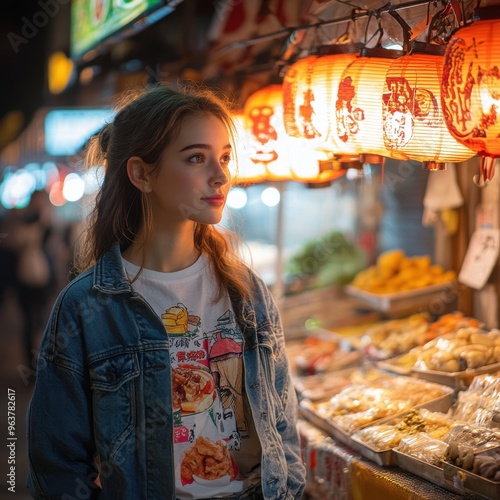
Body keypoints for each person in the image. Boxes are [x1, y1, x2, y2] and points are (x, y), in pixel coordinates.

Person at [26, 83, 306, 499]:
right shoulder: (87, 307)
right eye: (196, 157)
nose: (221, 175)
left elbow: (282, 430)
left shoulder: (248, 293)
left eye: (224, 157)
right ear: (142, 173)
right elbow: (57, 467)